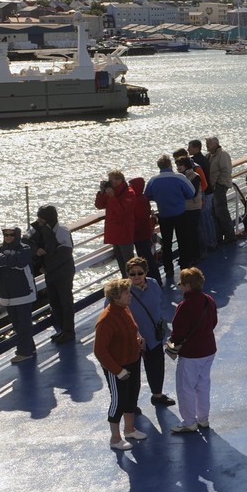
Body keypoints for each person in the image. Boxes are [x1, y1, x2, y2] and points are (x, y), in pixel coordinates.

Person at [93, 277, 144, 449]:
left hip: (132, 361)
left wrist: (138, 338)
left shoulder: (124, 309)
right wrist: (117, 371)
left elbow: (132, 329)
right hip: (118, 368)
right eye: (126, 292)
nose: (130, 294)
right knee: (119, 400)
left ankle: (129, 429)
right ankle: (115, 439)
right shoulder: (106, 320)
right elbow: (100, 351)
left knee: (132, 395)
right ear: (115, 297)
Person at [170, 267, 219, 434]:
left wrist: (173, 343)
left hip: (191, 354)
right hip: (209, 350)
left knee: (186, 388)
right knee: (203, 385)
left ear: (188, 286)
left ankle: (189, 422)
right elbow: (213, 322)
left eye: (182, 285)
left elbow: (178, 332)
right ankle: (203, 419)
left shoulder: (185, 306)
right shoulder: (209, 300)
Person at [0, 225, 38, 363]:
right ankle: (30, 348)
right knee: (18, 325)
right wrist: (6, 259)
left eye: (11, 235)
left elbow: (19, 262)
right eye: (6, 235)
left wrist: (2, 259)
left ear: (17, 236)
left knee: (24, 324)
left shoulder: (24, 248)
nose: (8, 237)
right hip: (8, 295)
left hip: (24, 293)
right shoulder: (1, 249)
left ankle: (24, 352)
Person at [124, 256, 174, 407]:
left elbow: (159, 303)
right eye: (132, 274)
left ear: (146, 272)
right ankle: (132, 404)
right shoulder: (122, 290)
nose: (136, 276)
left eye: (140, 273)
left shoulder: (153, 284)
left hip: (153, 335)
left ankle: (157, 395)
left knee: (157, 367)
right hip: (132, 340)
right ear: (127, 274)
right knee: (132, 374)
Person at [145, 156, 196, 286]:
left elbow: (147, 195)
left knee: (166, 243)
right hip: (180, 213)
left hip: (164, 215)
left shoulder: (153, 180)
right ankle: (184, 269)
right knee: (183, 240)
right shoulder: (179, 178)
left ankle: (168, 268)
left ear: (159, 166)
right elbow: (191, 192)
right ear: (170, 165)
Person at [30, 205, 76, 344]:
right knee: (55, 302)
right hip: (51, 273)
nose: (39, 222)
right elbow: (27, 241)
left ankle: (68, 332)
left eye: (42, 219)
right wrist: (36, 249)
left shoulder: (61, 231)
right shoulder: (41, 230)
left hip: (63, 272)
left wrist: (47, 267)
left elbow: (65, 253)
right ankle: (62, 330)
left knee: (65, 302)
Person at [94, 170, 136, 268]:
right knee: (121, 263)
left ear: (120, 180)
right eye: (110, 180)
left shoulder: (129, 193)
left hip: (124, 233)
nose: (111, 182)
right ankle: (124, 282)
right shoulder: (110, 192)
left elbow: (122, 212)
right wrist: (101, 192)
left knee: (129, 263)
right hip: (114, 232)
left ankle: (133, 282)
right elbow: (99, 205)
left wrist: (112, 197)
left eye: (113, 180)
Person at [173, 148, 206, 265]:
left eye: (180, 165)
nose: (178, 168)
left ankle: (195, 255)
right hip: (184, 208)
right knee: (185, 233)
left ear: (186, 165)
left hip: (193, 208)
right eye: (177, 165)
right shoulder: (179, 177)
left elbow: (193, 192)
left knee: (192, 232)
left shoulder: (194, 176)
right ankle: (187, 255)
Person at [128, 176, 159, 281]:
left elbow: (139, 218)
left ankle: (154, 279)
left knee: (146, 259)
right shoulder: (143, 198)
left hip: (140, 234)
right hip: (143, 232)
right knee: (147, 257)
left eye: (131, 186)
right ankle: (153, 278)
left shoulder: (138, 200)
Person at [206, 136, 235, 245]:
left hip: (219, 186)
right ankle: (218, 236)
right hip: (213, 187)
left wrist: (218, 184)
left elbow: (226, 171)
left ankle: (230, 235)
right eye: (206, 143)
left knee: (221, 211)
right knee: (214, 211)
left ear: (215, 144)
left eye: (209, 143)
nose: (207, 146)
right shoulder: (210, 156)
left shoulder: (222, 154)